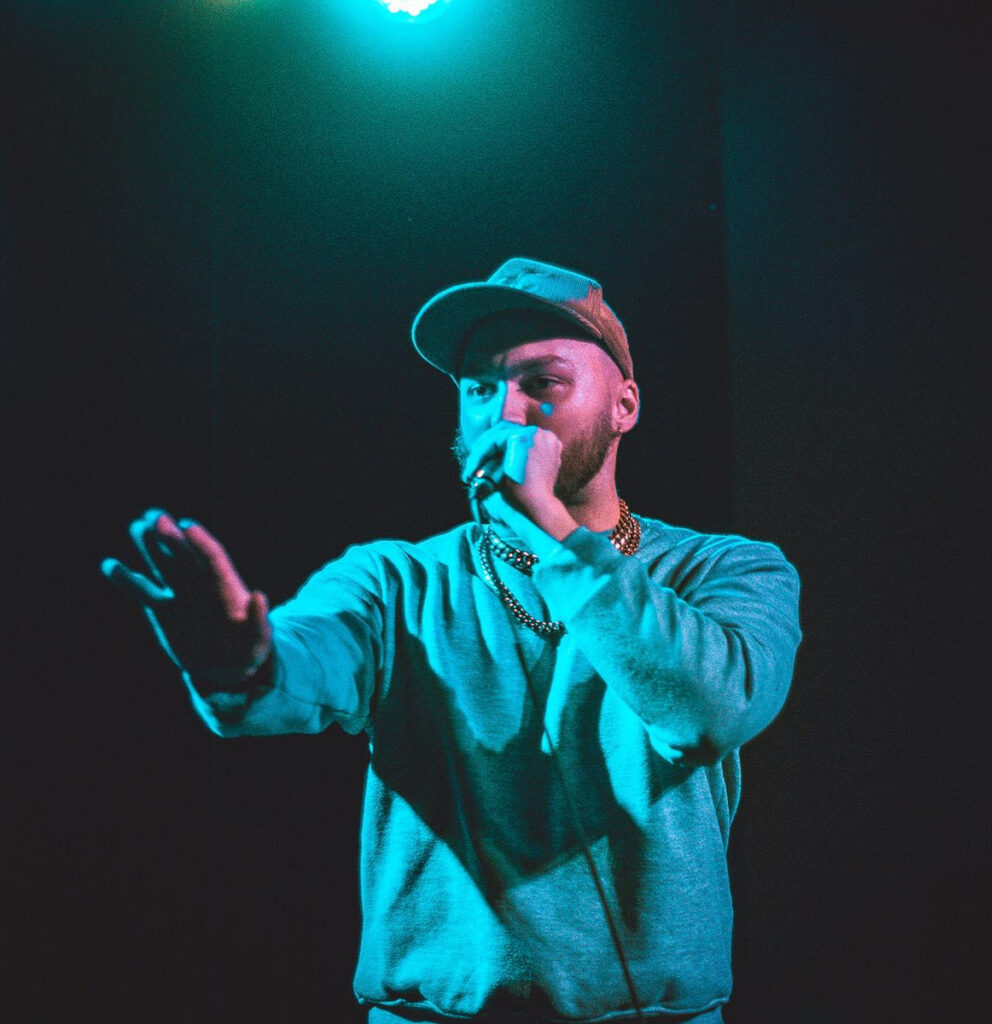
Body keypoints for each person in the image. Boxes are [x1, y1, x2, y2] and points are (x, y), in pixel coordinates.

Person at [102, 257, 802, 1024]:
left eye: (543, 384)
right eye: (478, 388)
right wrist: (239, 657)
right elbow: (296, 668)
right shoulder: (395, 579)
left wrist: (557, 537)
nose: (504, 413)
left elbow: (712, 710)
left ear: (624, 404)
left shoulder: (727, 569)